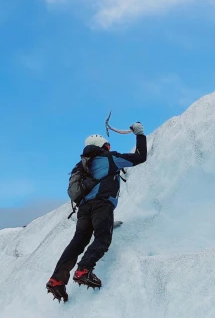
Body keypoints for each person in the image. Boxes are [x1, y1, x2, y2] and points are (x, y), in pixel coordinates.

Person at [46, 122, 147, 302]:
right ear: (103, 146)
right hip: (102, 206)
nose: (109, 148)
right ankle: (84, 269)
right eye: (107, 146)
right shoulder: (109, 159)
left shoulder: (80, 166)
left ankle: (57, 280)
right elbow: (140, 157)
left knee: (77, 243)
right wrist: (139, 134)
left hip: (84, 209)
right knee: (103, 238)